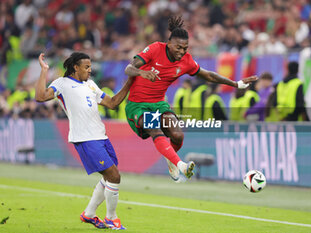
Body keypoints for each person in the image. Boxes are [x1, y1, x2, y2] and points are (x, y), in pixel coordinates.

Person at [124, 16, 257, 181]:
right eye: (178, 47)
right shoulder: (154, 49)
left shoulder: (186, 61)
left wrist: (236, 83)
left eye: (185, 48)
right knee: (155, 130)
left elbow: (209, 75)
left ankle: (171, 160)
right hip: (138, 106)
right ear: (169, 43)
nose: (181, 51)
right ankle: (181, 165)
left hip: (159, 104)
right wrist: (141, 72)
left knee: (178, 136)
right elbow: (129, 68)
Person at [35, 52, 133, 230]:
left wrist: (130, 81)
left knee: (110, 176)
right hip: (85, 138)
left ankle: (89, 214)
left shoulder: (91, 84)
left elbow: (112, 103)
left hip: (101, 136)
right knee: (114, 176)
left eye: (90, 66)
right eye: (86, 67)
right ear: (75, 67)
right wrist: (44, 71)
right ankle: (111, 218)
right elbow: (40, 96)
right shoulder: (62, 84)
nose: (90, 70)